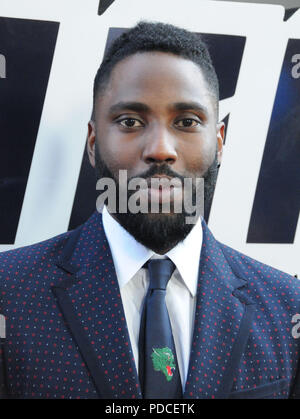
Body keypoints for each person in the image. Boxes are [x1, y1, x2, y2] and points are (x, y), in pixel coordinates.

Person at [1, 21, 300, 400]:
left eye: (187, 122)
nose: (160, 148)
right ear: (93, 142)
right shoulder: (9, 296)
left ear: (219, 143)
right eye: (130, 121)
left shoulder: (287, 305)